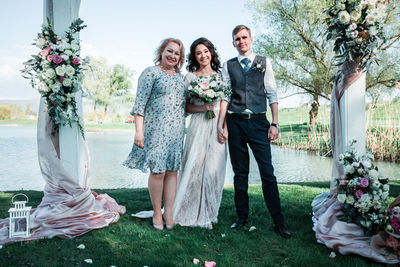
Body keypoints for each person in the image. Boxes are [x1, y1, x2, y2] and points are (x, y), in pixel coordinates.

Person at [220, 25, 291, 238]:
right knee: (240, 173)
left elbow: (272, 94)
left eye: (244, 37)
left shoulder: (264, 62)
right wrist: (222, 125)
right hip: (235, 123)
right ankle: (242, 217)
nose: (241, 42)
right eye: (237, 39)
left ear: (251, 39)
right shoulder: (228, 65)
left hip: (260, 122)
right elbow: (225, 96)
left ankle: (279, 222)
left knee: (267, 173)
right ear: (233, 43)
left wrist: (275, 123)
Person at [123, 38, 186, 230]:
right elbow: (139, 104)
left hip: (176, 132)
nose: (173, 56)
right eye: (170, 51)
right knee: (158, 171)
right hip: (155, 131)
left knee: (172, 171)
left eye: (177, 53)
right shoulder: (150, 73)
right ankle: (157, 213)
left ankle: (169, 212)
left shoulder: (181, 78)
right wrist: (138, 132)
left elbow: (184, 105)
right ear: (161, 51)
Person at [173, 37, 228, 229]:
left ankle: (210, 211)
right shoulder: (190, 77)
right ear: (194, 57)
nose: (203, 55)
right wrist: (203, 107)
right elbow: (184, 106)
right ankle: (187, 209)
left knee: (214, 170)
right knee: (194, 168)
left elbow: (224, 104)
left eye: (206, 51)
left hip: (217, 126)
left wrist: (224, 127)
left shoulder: (221, 76)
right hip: (198, 125)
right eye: (198, 53)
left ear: (211, 52)